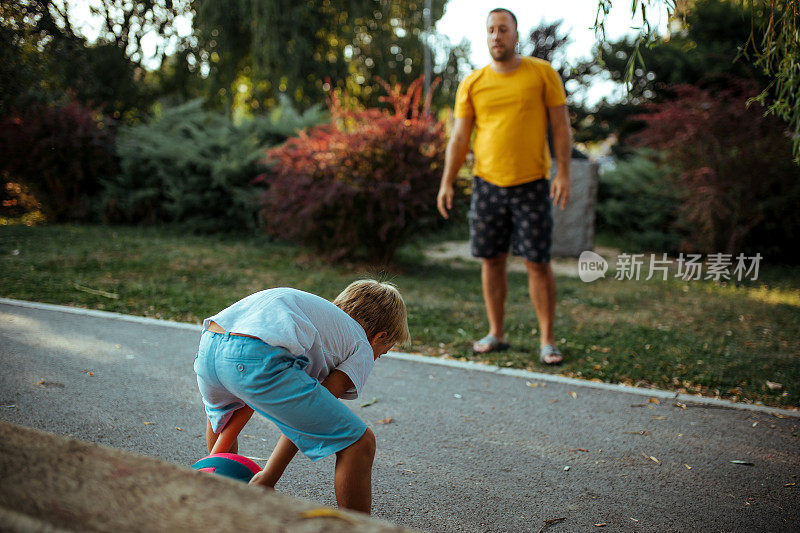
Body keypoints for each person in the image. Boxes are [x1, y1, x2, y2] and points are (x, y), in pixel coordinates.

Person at [193, 280, 410, 514]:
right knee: (359, 443)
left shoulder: (319, 318)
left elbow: (244, 382)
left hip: (210, 344)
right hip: (257, 355)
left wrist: (215, 458)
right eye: (381, 354)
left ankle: (214, 498)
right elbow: (309, 417)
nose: (375, 358)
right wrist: (268, 477)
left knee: (225, 416)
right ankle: (358, 529)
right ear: (379, 337)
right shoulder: (362, 345)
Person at [436, 7, 572, 365]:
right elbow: (460, 136)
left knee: (537, 262)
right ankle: (496, 333)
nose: (497, 36)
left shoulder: (542, 74)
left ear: (516, 34)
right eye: (491, 30)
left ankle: (547, 340)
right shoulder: (473, 82)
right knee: (491, 261)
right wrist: (447, 181)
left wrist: (564, 173)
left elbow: (561, 127)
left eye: (503, 29)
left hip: (532, 183)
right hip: (487, 184)